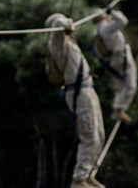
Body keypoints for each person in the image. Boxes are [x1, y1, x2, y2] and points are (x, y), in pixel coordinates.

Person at [45, 13, 105, 188]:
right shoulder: (55, 42)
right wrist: (66, 23)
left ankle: (87, 174)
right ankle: (78, 179)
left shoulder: (68, 43)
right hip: (78, 94)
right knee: (89, 135)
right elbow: (57, 23)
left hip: (88, 91)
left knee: (99, 134)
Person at [91, 7, 137, 124]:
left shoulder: (96, 30)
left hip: (112, 61)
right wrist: (113, 12)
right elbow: (123, 21)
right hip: (121, 58)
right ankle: (118, 110)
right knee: (130, 85)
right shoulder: (105, 27)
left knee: (120, 87)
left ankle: (117, 109)